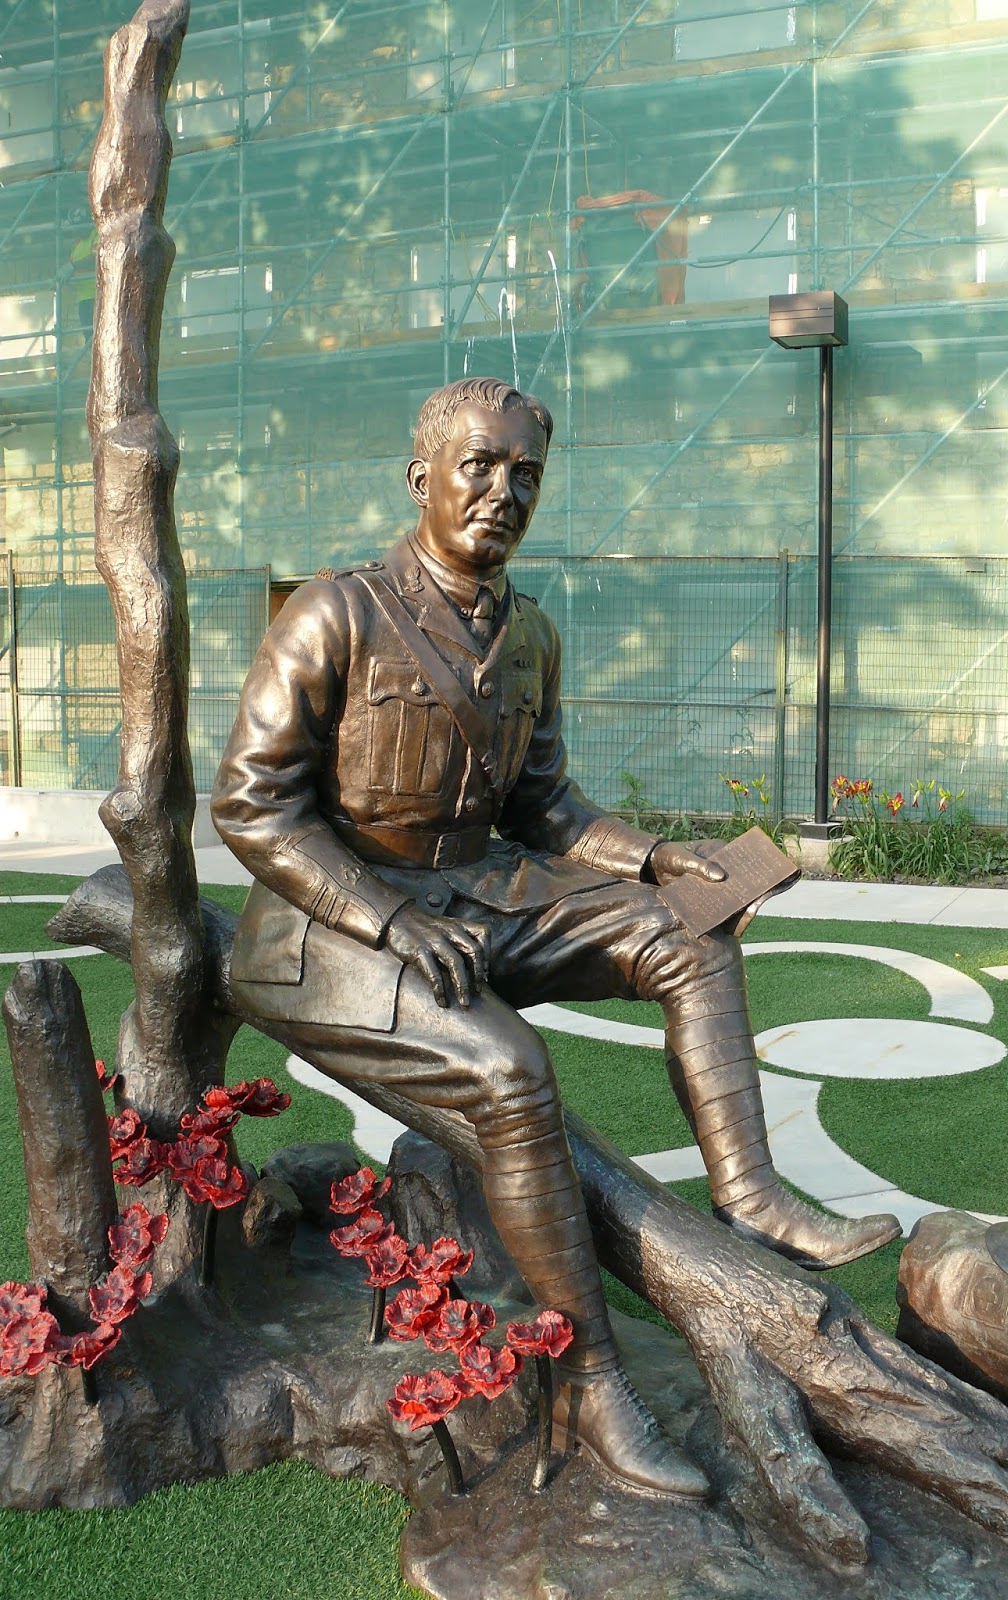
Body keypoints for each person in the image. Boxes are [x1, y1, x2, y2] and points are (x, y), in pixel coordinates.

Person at [211, 377, 900, 1500]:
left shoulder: (529, 632)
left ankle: (751, 1197)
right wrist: (386, 916)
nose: (504, 491)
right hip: (330, 922)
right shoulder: (335, 612)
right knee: (511, 1071)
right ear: (422, 478)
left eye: (525, 472)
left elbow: (546, 808)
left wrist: (655, 860)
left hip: (475, 887)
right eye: (479, 466)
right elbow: (251, 805)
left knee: (691, 933)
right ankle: (589, 1382)